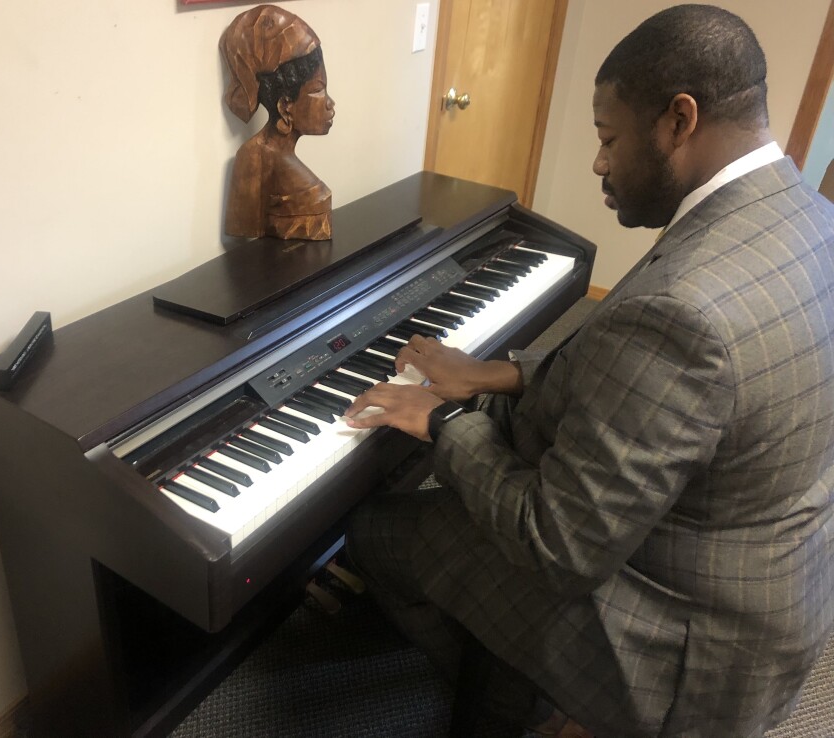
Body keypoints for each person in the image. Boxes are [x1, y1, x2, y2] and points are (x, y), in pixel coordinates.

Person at [343, 5, 834, 737]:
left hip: (681, 644)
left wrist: (443, 420)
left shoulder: (689, 308)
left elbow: (557, 545)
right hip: (767, 587)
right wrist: (502, 376)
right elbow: (657, 383)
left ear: (679, 120)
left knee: (376, 529)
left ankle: (520, 698)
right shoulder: (803, 214)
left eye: (609, 138)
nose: (600, 163)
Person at [220, 5, 335, 240]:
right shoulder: (253, 157)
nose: (330, 103)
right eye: (318, 90)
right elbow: (246, 244)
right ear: (285, 106)